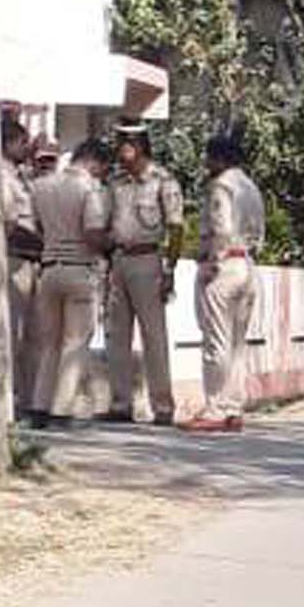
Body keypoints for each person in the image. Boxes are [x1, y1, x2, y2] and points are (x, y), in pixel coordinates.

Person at [100, 120, 185, 426]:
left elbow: (175, 227)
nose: (123, 149)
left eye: (129, 143)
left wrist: (170, 268)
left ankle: (162, 407)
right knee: (116, 335)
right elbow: (105, 222)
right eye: (120, 142)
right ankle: (121, 403)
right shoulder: (115, 182)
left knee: (154, 336)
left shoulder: (163, 181)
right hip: (119, 261)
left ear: (142, 145)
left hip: (148, 261)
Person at [180, 132, 266, 434]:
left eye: (209, 157)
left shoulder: (221, 186)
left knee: (216, 339)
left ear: (219, 158)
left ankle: (215, 407)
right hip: (246, 264)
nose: (206, 163)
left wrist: (211, 261)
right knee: (237, 344)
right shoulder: (250, 187)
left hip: (224, 264)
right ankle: (232, 406)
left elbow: (221, 227)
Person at [27, 135, 114, 429]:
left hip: (49, 268)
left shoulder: (41, 186)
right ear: (94, 161)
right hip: (80, 269)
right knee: (75, 342)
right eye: (103, 167)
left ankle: (39, 407)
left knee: (49, 343)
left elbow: (34, 226)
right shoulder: (90, 188)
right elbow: (92, 232)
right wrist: (109, 245)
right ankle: (61, 410)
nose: (103, 173)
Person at [0, 115, 44, 421]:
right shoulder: (3, 178)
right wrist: (42, 241)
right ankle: (12, 399)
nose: (26, 148)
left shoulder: (21, 176)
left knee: (34, 336)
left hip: (32, 262)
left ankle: (30, 399)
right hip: (16, 259)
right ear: (8, 144)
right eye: (21, 143)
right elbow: (9, 224)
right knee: (13, 335)